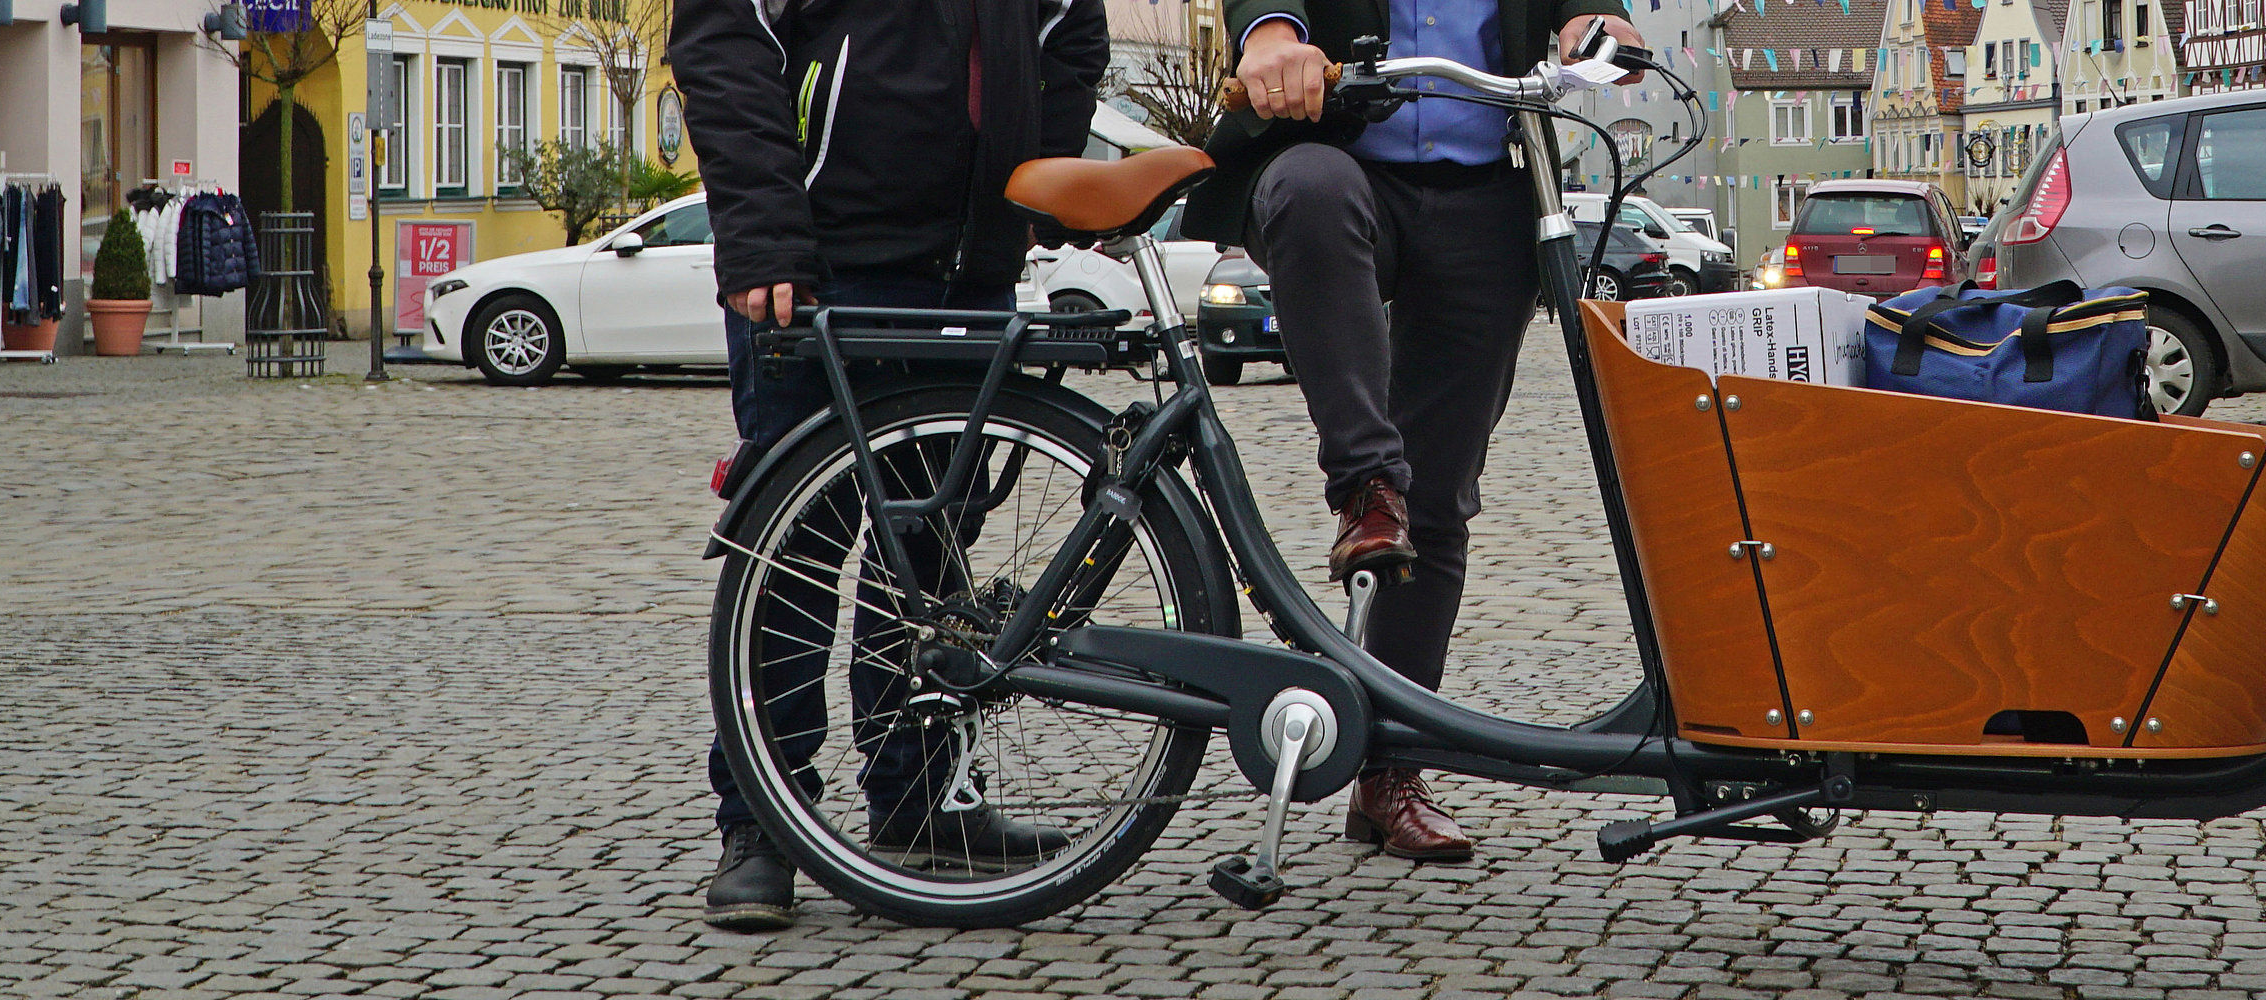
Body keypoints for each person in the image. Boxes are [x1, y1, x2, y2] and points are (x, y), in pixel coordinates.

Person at [669, 0, 1107, 930]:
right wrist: (763, 232)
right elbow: (723, 38)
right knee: (789, 554)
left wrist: (1034, 177)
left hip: (971, 269)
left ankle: (918, 798)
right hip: (817, 262)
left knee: (932, 554)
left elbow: (1072, 29)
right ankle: (762, 822)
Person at [1178, 0, 1641, 862]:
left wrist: (1595, 24)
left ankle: (1389, 771)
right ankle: (1363, 484)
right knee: (1310, 192)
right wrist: (1273, 38)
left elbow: (1583, 10)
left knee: (1435, 495)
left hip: (1487, 190)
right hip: (1338, 158)